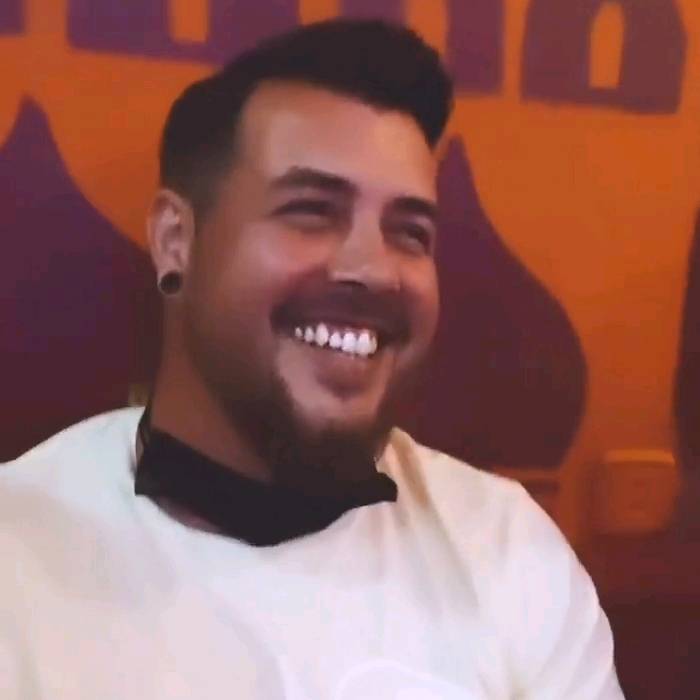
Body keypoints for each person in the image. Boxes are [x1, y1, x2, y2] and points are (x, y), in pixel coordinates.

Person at [0, 18, 624, 699]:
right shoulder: (18, 555)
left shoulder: (507, 550)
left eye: (409, 232)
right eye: (312, 211)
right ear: (176, 240)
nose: (373, 269)